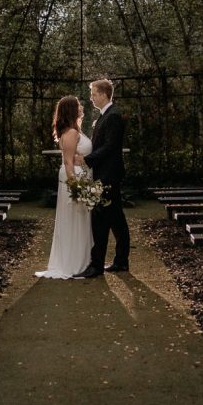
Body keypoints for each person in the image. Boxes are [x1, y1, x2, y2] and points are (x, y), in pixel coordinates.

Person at [34, 95, 93, 279]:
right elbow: (68, 163)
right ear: (72, 111)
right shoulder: (71, 133)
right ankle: (73, 264)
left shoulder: (75, 130)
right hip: (73, 179)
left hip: (80, 176)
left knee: (80, 221)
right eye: (78, 106)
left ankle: (82, 261)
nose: (81, 107)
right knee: (74, 220)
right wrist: (75, 186)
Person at [78, 78, 129, 277]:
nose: (91, 98)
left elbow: (109, 147)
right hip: (105, 174)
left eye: (94, 94)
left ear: (104, 94)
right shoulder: (104, 116)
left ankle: (97, 266)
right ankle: (121, 261)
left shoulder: (113, 116)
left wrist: (86, 160)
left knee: (99, 219)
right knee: (117, 220)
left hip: (108, 175)